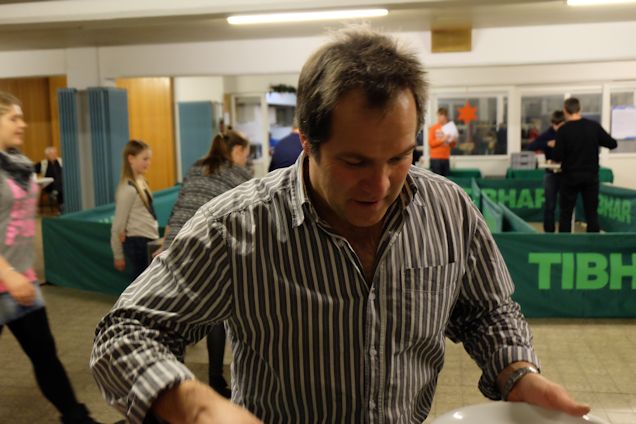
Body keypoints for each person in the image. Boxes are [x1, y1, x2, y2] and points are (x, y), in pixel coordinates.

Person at [91, 28, 590, 424]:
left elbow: (487, 312)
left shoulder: (449, 210)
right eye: (355, 162)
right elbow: (125, 334)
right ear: (307, 142)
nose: (382, 184)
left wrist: (517, 373)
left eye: (400, 157)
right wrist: (198, 406)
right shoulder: (236, 227)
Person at [0, 92, 100, 424]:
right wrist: (7, 273)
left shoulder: (18, 163)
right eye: (14, 118)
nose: (23, 124)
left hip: (21, 280)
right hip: (7, 277)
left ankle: (77, 418)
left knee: (45, 355)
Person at [161, 130, 252, 398]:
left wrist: (166, 244)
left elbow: (179, 206)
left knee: (175, 317)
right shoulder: (238, 175)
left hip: (177, 246)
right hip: (206, 249)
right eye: (245, 155)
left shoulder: (195, 168)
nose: (245, 161)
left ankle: (174, 382)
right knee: (216, 316)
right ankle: (215, 380)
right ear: (237, 151)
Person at [553, 98, 617, 233]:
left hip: (570, 177)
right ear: (579, 108)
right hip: (590, 177)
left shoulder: (563, 130)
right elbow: (612, 144)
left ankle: (563, 243)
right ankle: (593, 242)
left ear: (565, 110)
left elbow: (557, 157)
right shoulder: (593, 126)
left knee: (566, 214)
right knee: (591, 213)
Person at [110, 140, 158, 279]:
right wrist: (118, 255)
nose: (148, 163)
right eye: (145, 159)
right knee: (141, 283)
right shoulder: (127, 189)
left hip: (148, 238)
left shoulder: (142, 182)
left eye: (149, 159)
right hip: (137, 242)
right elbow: (118, 225)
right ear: (131, 159)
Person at [524, 110, 565, 232]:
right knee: (550, 204)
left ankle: (564, 232)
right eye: (555, 124)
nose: (557, 127)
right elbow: (531, 146)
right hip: (550, 173)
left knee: (565, 206)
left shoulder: (569, 133)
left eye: (559, 124)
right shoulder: (547, 134)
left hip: (566, 172)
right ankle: (549, 232)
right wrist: (547, 144)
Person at [428, 107, 457, 176]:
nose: (439, 117)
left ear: (445, 116)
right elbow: (431, 143)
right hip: (435, 158)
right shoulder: (433, 128)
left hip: (445, 158)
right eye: (438, 115)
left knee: (445, 179)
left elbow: (452, 146)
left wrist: (453, 141)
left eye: (441, 115)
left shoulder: (450, 128)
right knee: (436, 179)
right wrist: (443, 140)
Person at [34, 146, 64, 211]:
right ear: (46, 155)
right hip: (49, 185)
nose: (54, 155)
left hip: (62, 184)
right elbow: (32, 171)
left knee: (61, 179)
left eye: (55, 153)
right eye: (51, 154)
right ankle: (61, 206)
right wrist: (37, 177)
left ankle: (56, 192)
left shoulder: (61, 161)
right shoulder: (42, 163)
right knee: (60, 185)